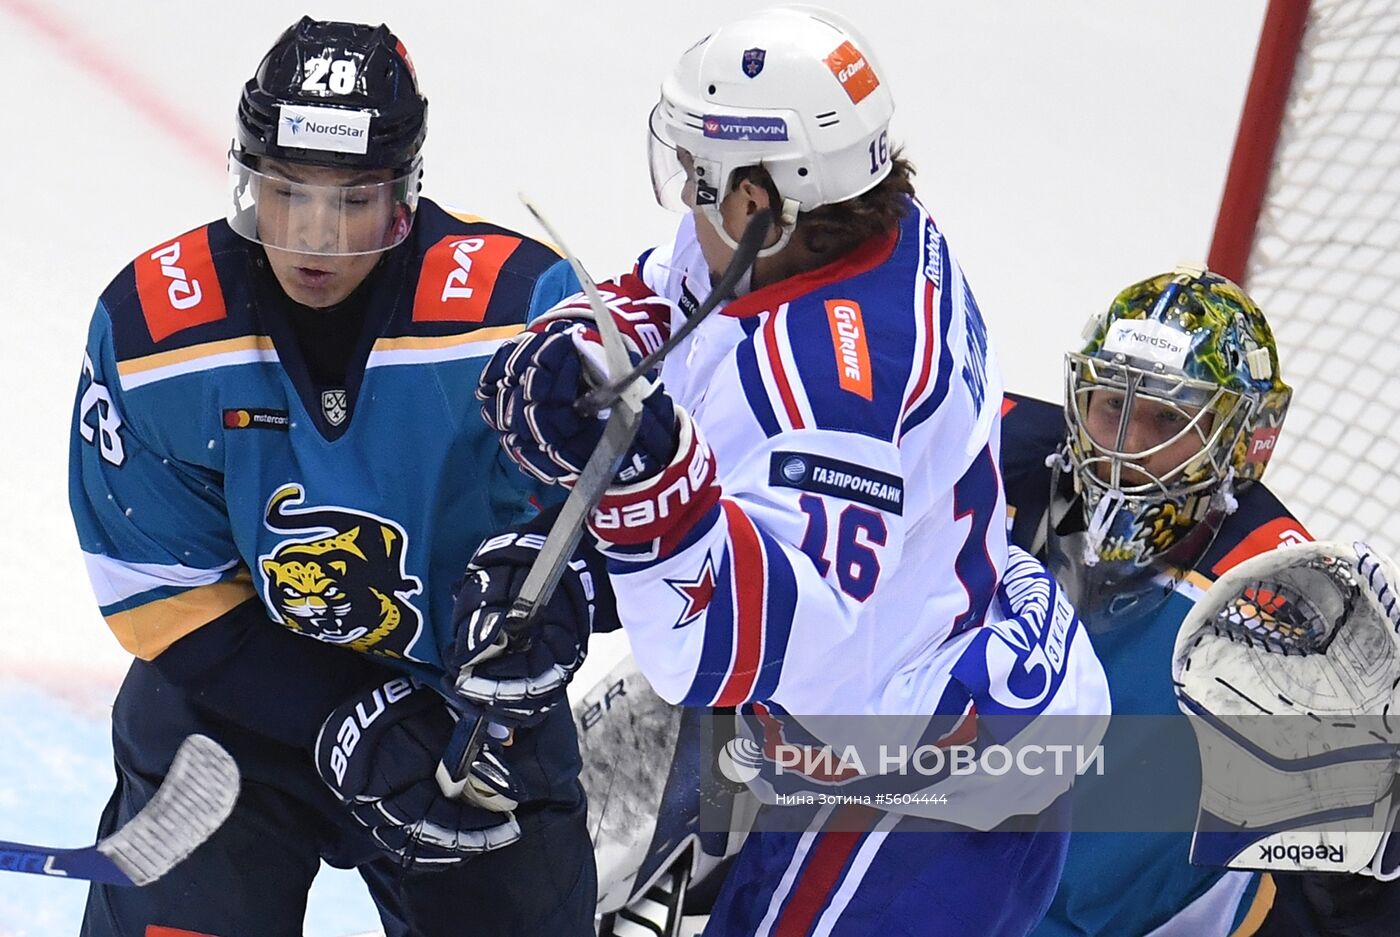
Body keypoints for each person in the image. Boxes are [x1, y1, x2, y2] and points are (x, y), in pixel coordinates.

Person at [473, 7, 1110, 935]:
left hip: (922, 802)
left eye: (701, 174)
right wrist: (581, 351)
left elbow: (732, 643)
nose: (687, 195)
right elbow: (672, 284)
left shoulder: (830, 380)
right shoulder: (840, 234)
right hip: (907, 696)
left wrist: (647, 483)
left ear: (762, 199)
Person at [69, 17, 596, 936]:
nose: (314, 236)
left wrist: (571, 595)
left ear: (403, 194)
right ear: (247, 180)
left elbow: (625, 533)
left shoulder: (520, 317)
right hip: (235, 720)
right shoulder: (156, 333)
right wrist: (342, 715)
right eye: (285, 193)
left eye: (351, 199)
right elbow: (161, 591)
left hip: (466, 725)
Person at [998, 264, 1309, 936]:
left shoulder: (1286, 609)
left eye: (1167, 415)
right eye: (1113, 403)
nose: (1125, 449)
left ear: (1244, 436)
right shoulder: (1000, 460)